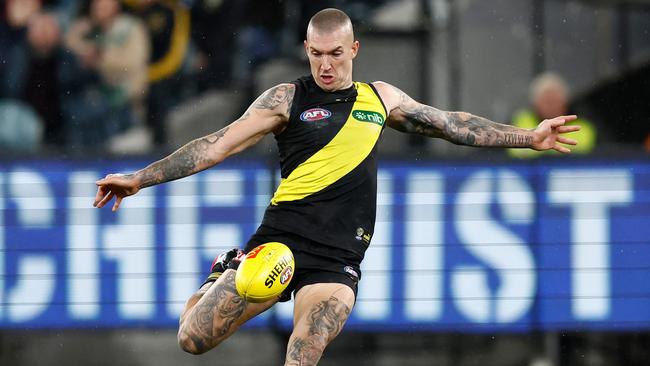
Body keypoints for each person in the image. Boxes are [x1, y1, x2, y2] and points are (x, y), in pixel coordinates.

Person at [93, 8, 580, 365]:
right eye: (317, 55)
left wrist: (528, 136)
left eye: (335, 55)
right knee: (192, 340)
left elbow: (452, 123)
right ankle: (221, 270)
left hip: (335, 261)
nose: (326, 66)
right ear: (307, 51)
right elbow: (215, 145)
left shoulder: (380, 99)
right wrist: (140, 178)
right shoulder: (286, 98)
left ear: (354, 50)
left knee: (303, 353)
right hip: (278, 246)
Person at [508, 72, 595, 158]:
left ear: (565, 102)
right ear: (536, 104)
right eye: (547, 101)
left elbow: (585, 157)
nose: (551, 106)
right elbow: (515, 153)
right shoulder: (521, 122)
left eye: (555, 101)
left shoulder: (582, 127)